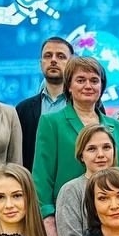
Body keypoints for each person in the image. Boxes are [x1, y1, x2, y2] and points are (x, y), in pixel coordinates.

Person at [33, 56, 119, 236]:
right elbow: (42, 175)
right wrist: (48, 219)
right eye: (81, 80)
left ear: (102, 87)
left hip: (116, 217)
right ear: (69, 86)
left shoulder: (117, 127)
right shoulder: (51, 123)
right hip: (71, 219)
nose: (88, 86)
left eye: (94, 80)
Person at [16, 36, 73, 172]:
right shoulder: (23, 109)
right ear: (40, 63)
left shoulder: (87, 105)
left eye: (61, 56)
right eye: (48, 56)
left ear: (71, 64)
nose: (53, 60)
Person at [54, 125, 118, 236]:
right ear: (81, 155)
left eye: (106, 147)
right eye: (92, 149)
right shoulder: (71, 190)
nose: (100, 154)